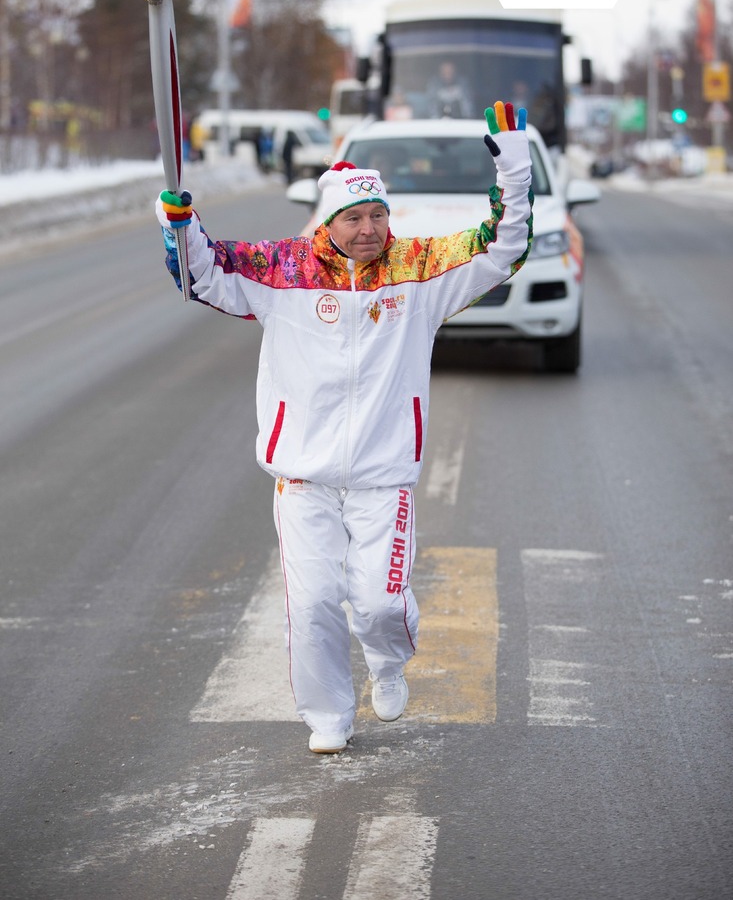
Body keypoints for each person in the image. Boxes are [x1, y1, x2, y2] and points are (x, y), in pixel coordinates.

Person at [155, 101, 533, 754]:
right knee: (311, 606)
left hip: (384, 476)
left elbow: (502, 249)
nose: (367, 230)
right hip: (302, 477)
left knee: (381, 606)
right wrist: (180, 225)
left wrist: (514, 172)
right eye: (353, 218)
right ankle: (328, 717)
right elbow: (202, 273)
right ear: (328, 223)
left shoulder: (419, 272)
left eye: (377, 215)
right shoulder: (281, 270)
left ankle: (386, 661)